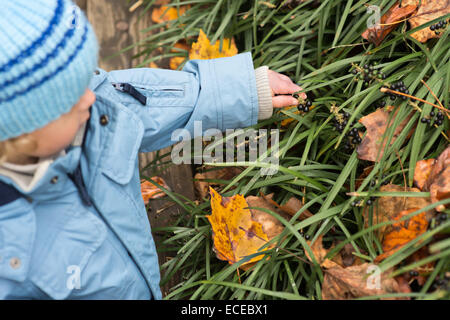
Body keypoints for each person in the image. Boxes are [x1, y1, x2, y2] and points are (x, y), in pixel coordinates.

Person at [0, 0, 305, 299]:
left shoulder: (85, 113)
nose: (89, 99)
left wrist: (239, 90)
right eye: (70, 98)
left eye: (85, 81)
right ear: (18, 134)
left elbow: (134, 102)